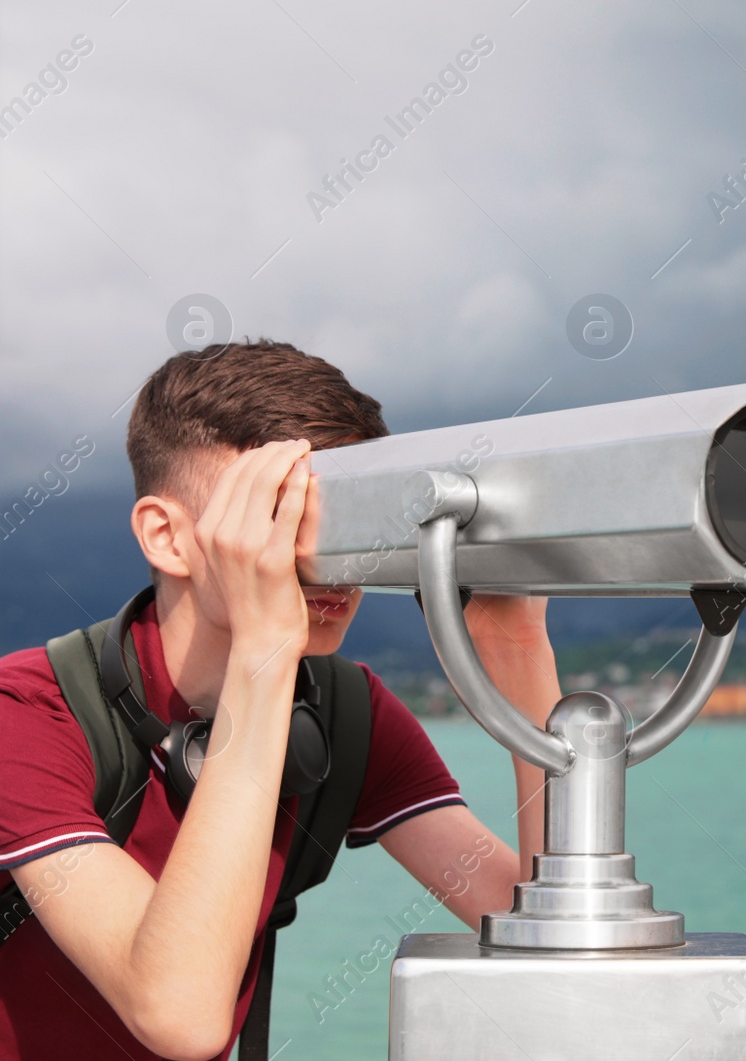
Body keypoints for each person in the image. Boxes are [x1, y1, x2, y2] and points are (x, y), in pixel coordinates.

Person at [0, 341, 559, 1060]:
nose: (333, 558)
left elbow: (542, 927)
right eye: (278, 515)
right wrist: (263, 657)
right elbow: (183, 1015)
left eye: (350, 516)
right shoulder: (27, 715)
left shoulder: (343, 711)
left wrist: (520, 657)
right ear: (167, 536)